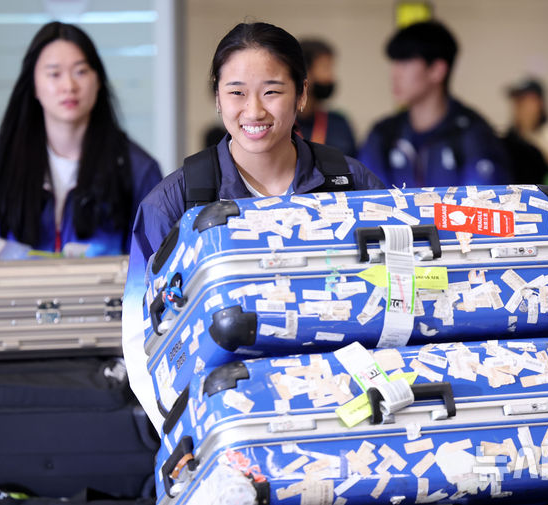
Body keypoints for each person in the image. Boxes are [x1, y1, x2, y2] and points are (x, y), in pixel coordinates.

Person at [123, 21, 384, 431]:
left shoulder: (352, 183)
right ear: (217, 98)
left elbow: (403, 291)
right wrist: (187, 432)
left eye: (272, 91)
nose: (254, 110)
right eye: (237, 92)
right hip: (228, 421)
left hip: (345, 417)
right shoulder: (173, 203)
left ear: (301, 95)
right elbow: (143, 342)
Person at [0, 21, 162, 270]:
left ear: (98, 81)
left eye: (81, 71)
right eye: (54, 73)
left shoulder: (137, 170)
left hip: (105, 309)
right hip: (8, 309)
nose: (69, 86)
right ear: (33, 85)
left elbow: (155, 271)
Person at [358, 20, 511, 188]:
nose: (394, 73)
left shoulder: (474, 136)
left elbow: (486, 206)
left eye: (405, 62)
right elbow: (366, 201)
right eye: (394, 63)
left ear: (437, 70)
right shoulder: (382, 135)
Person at [297, 38, 358, 157]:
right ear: (305, 72)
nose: (331, 77)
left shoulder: (339, 124)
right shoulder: (283, 125)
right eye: (325, 68)